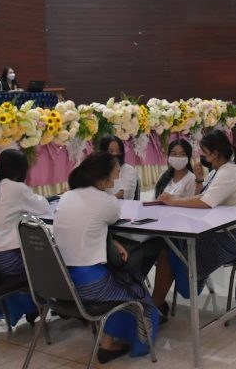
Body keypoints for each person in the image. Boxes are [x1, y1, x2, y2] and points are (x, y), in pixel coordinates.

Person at [53, 152, 160, 363]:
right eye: (115, 174)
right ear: (103, 178)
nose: (117, 178)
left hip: (60, 282)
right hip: (90, 285)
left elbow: (88, 228)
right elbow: (111, 219)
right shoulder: (106, 201)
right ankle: (113, 344)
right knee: (135, 289)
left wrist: (111, 242)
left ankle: (107, 338)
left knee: (119, 279)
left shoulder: (67, 196)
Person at [152, 130, 236, 304]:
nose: (202, 156)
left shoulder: (228, 172)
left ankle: (163, 299)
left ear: (215, 153)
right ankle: (157, 303)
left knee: (170, 248)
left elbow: (205, 202)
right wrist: (197, 182)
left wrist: (173, 201)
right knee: (167, 246)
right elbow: (202, 197)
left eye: (205, 152)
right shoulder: (217, 172)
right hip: (221, 230)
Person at [0, 149, 49, 326]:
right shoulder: (16, 188)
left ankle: (26, 308)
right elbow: (42, 207)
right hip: (4, 261)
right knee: (50, 263)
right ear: (21, 170)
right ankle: (44, 306)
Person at [98, 135, 139, 199]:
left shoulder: (128, 170)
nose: (115, 154)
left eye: (118, 151)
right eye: (111, 151)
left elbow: (124, 194)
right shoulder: (98, 170)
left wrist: (105, 202)